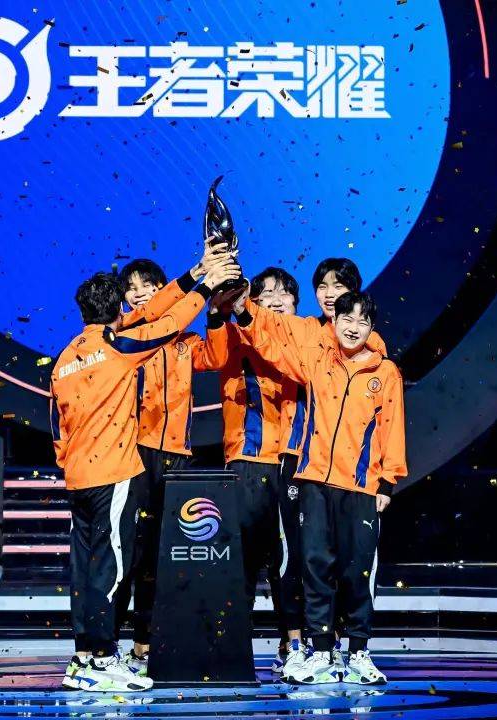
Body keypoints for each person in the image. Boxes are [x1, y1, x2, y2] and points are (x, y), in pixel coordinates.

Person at [50, 255, 240, 692]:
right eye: (129, 293)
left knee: (88, 568)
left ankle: (84, 657)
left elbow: (55, 424)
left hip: (80, 476)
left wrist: (197, 274)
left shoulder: (64, 359)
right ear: (120, 308)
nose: (137, 299)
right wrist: (205, 285)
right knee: (114, 567)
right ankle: (103, 658)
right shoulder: (120, 347)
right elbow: (168, 322)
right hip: (118, 469)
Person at [229, 288, 407, 685]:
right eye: (347, 319)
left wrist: (388, 482)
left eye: (362, 321)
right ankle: (322, 650)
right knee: (315, 567)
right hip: (314, 483)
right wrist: (243, 314)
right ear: (334, 322)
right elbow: (272, 350)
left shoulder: (385, 373)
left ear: (371, 329)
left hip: (361, 487)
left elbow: (392, 428)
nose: (353, 327)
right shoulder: (316, 360)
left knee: (358, 570)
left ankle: (359, 652)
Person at [113, 251, 225, 675]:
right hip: (134, 455)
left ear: (163, 289)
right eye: (131, 288)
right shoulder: (124, 336)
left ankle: (145, 644)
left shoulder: (184, 343)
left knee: (163, 557)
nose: (140, 293)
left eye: (148, 285)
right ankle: (108, 647)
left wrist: (215, 313)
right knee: (129, 553)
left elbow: (216, 357)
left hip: (177, 459)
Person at [194, 267, 307, 675]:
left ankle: (292, 644)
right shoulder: (235, 334)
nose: (276, 300)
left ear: (296, 303)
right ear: (252, 302)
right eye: (266, 294)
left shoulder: (308, 338)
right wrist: (215, 313)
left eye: (285, 293)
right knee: (239, 559)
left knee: (288, 561)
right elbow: (210, 358)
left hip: (296, 463)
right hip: (248, 459)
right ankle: (232, 646)